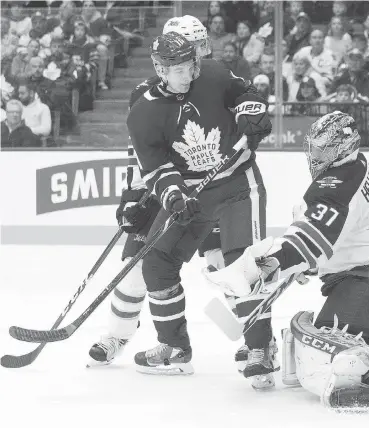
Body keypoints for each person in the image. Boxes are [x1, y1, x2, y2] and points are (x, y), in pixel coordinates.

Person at [206, 111, 369, 409]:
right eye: (314, 149)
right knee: (311, 342)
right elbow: (338, 237)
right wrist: (305, 262)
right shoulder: (355, 166)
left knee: (322, 358)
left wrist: (263, 265)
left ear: (344, 147)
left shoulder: (336, 183)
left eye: (324, 150)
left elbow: (309, 239)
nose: (315, 157)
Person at [89, 19, 274, 388]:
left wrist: (252, 110)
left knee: (236, 266)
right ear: (160, 67)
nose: (188, 72)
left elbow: (243, 95)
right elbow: (151, 163)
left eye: (191, 62)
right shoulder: (142, 107)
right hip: (187, 193)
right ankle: (162, 345)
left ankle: (258, 346)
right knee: (147, 262)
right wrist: (165, 195)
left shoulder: (214, 74)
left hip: (236, 184)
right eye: (178, 67)